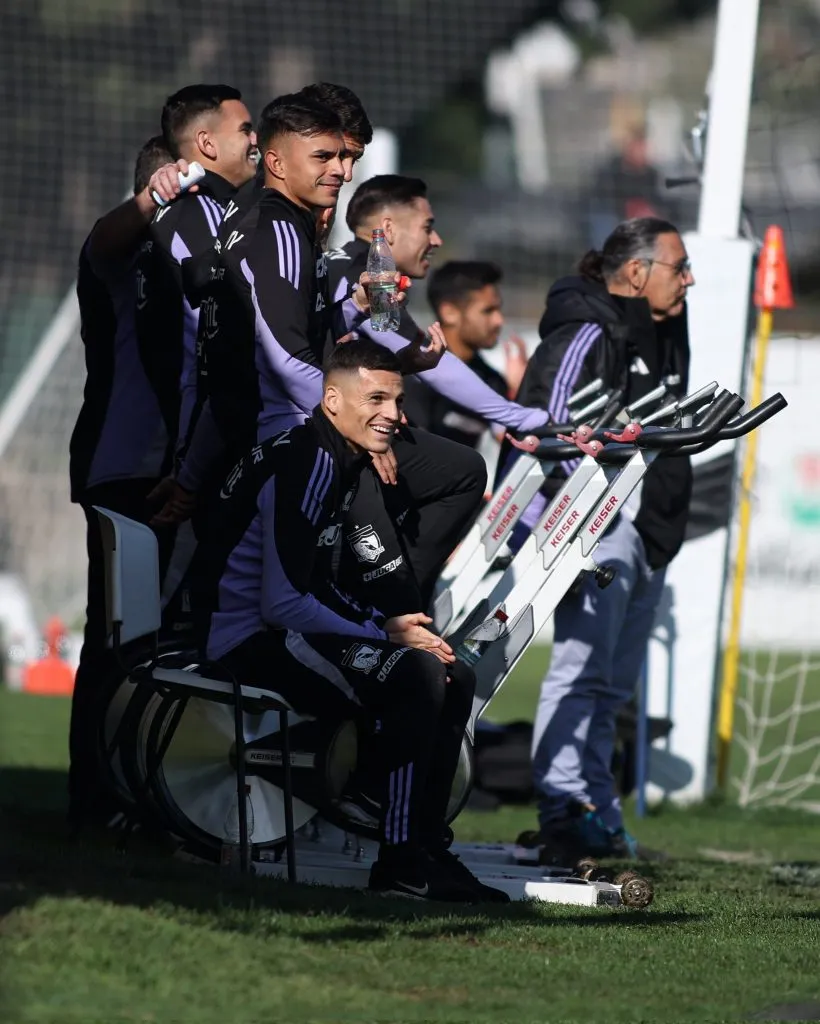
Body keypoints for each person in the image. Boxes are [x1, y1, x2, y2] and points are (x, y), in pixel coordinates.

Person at [200, 338, 508, 903]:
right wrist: (379, 634)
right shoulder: (310, 462)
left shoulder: (331, 455)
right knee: (418, 677)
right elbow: (283, 603)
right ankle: (395, 850)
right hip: (249, 638)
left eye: (396, 400)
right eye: (375, 399)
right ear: (331, 400)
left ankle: (425, 850)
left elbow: (311, 587)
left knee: (450, 673)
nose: (392, 415)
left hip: (284, 629)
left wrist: (388, 627)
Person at [169, 96, 485, 618]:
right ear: (277, 161)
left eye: (345, 158)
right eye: (326, 158)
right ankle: (383, 620)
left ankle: (377, 617)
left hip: (254, 433)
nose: (342, 171)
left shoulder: (281, 227)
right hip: (287, 438)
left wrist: (354, 308)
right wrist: (362, 424)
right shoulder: (280, 230)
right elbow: (283, 360)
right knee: (459, 476)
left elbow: (278, 340)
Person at [512, 217, 694, 861]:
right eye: (680, 267)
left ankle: (597, 809)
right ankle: (562, 806)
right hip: (591, 523)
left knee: (613, 687)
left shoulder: (668, 327)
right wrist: (586, 516)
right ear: (638, 272)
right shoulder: (588, 326)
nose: (690, 279)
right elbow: (543, 426)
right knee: (582, 670)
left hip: (648, 530)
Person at [67, 136, 197, 831]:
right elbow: (103, 236)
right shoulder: (130, 255)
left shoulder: (207, 259)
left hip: (184, 471)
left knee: (174, 637)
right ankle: (96, 798)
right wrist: (155, 197)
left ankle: (156, 794)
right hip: (127, 472)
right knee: (119, 639)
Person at [327, 175, 548, 441]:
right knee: (463, 470)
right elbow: (436, 367)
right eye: (427, 227)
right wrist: (520, 416)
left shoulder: (338, 263)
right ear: (388, 229)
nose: (436, 240)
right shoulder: (369, 275)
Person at [134, 84, 258, 487]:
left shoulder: (216, 208)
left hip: (187, 443)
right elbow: (208, 336)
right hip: (175, 453)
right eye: (245, 130)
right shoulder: (196, 210)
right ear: (206, 142)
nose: (255, 141)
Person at [402, 260, 528, 449]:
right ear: (449, 313)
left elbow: (518, 444)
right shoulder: (413, 371)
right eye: (488, 311)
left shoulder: (492, 381)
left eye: (498, 309)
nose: (499, 321)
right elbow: (412, 448)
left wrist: (519, 390)